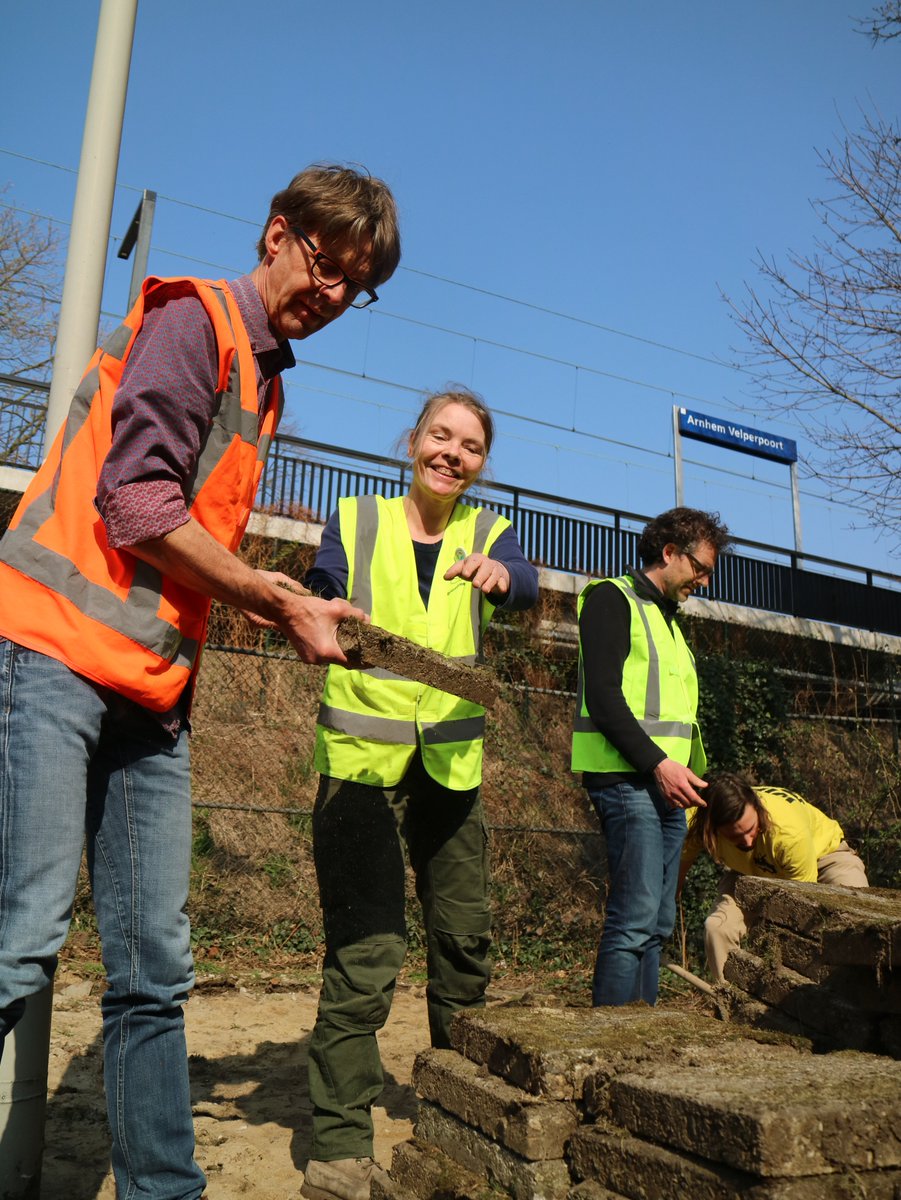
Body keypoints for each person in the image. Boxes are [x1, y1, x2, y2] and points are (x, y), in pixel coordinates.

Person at [0, 164, 400, 1200]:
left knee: (153, 973)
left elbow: (180, 542)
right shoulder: (197, 322)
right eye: (326, 264)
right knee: (20, 938)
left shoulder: (264, 378)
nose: (333, 293)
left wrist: (262, 596)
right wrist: (270, 598)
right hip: (52, 653)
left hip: (148, 694)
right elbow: (136, 505)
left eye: (355, 286)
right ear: (277, 233)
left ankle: (164, 1189)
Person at [300, 389, 538, 1200]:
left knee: (463, 946)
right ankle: (340, 1150)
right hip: (361, 768)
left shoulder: (489, 533)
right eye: (441, 436)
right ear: (413, 442)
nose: (451, 454)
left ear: (480, 464)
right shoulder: (355, 518)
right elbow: (324, 585)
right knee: (364, 958)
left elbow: (525, 584)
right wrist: (323, 607)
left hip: (450, 769)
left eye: (470, 446)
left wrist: (504, 578)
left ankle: (460, 1113)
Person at [571, 506, 730, 1007]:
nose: (704, 582)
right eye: (700, 569)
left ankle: (643, 1034)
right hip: (626, 780)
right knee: (635, 919)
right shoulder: (611, 599)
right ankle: (611, 1042)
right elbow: (603, 697)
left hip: (667, 789)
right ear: (669, 552)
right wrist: (658, 765)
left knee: (658, 924)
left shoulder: (668, 622)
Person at [680, 772, 869, 983]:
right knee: (717, 929)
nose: (747, 841)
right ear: (711, 829)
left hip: (824, 859)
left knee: (860, 921)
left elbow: (803, 906)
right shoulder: (696, 821)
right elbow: (678, 865)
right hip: (751, 873)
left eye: (752, 829)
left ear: (757, 808)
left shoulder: (788, 832)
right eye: (735, 837)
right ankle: (728, 996)